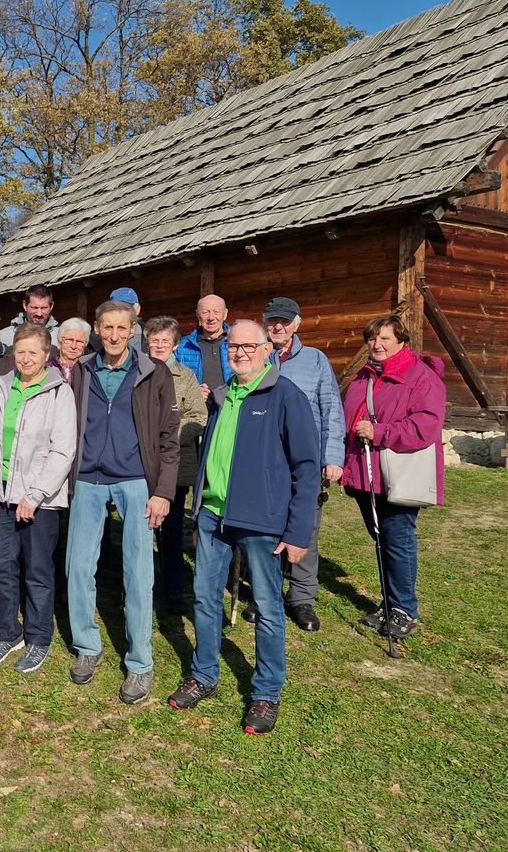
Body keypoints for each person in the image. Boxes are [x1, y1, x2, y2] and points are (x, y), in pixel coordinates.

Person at [169, 320, 319, 735]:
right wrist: (200, 507)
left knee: (269, 610)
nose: (239, 353)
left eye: (248, 347)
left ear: (267, 349)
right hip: (214, 516)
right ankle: (204, 673)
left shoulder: (286, 397)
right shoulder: (222, 397)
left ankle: (266, 693)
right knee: (204, 598)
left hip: (261, 522)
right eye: (233, 347)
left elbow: (307, 470)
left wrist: (296, 532)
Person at [65, 300, 179, 704]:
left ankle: (139, 662)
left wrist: (163, 490)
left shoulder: (154, 372)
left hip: (135, 480)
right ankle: (87, 646)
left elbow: (169, 436)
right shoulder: (80, 370)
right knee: (78, 566)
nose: (114, 335)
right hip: (88, 479)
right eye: (107, 327)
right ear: (97, 328)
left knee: (137, 572)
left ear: (134, 330)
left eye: (122, 327)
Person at [0, 323, 76, 674]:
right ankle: (7, 633)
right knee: (0, 567)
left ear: (47, 356)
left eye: (34, 352)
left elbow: (63, 451)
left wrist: (36, 494)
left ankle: (39, 637)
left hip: (39, 501)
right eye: (21, 351)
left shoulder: (59, 392)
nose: (26, 358)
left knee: (38, 570)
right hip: (0, 495)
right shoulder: (2, 387)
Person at [341, 314, 445, 641]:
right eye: (372, 339)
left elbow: (425, 425)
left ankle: (405, 610)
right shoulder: (364, 376)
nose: (377, 345)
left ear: (401, 340)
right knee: (382, 538)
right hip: (364, 473)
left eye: (385, 338)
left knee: (397, 540)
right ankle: (390, 603)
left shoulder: (421, 376)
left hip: (397, 472)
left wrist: (381, 432)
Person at [247, 296, 346, 633]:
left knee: (306, 529)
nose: (278, 327)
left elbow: (331, 408)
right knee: (265, 529)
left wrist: (332, 456)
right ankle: (266, 593)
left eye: (284, 321)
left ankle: (301, 597)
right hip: (265, 462)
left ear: (296, 324)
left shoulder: (315, 360)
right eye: (272, 321)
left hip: (304, 460)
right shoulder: (258, 358)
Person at [143, 315, 207, 613]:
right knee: (140, 529)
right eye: (154, 340)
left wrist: (170, 436)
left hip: (175, 464)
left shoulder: (186, 377)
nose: (159, 345)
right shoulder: (137, 372)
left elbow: (197, 415)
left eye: (164, 341)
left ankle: (173, 589)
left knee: (170, 530)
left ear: (175, 344)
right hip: (140, 463)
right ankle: (139, 587)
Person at [175, 294, 231, 400]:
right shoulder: (182, 347)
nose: (211, 317)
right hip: (198, 413)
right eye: (205, 312)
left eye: (216, 312)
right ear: (197, 315)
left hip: (232, 410)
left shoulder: (238, 342)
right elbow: (171, 383)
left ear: (225, 314)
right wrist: (191, 393)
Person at [0, 283, 58, 348]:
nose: (39, 313)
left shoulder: (60, 336)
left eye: (44, 308)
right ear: (25, 305)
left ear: (51, 306)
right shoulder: (5, 336)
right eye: (34, 307)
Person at [53, 317, 91, 383]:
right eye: (69, 340)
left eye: (79, 341)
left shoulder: (89, 371)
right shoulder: (48, 369)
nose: (73, 346)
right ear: (59, 343)